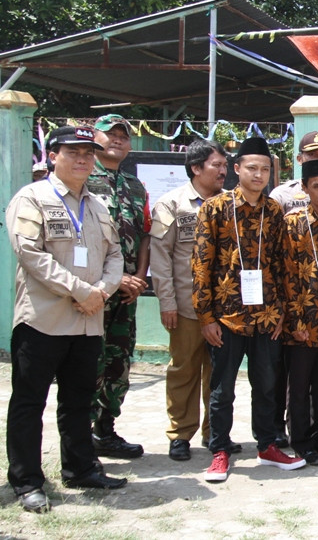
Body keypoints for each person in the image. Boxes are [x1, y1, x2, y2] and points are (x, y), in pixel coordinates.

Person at [6, 126, 127, 514]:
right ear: (53, 154)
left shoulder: (97, 205)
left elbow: (115, 256)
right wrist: (81, 291)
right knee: (29, 403)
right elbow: (30, 254)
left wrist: (103, 292)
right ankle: (27, 481)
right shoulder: (32, 198)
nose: (82, 159)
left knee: (78, 401)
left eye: (89, 153)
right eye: (73, 152)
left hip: (89, 320)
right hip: (43, 320)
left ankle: (80, 468)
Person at [192, 136, 305, 483]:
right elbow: (200, 265)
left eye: (265, 169)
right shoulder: (214, 208)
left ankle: (267, 446)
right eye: (252, 168)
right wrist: (206, 317)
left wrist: (283, 312)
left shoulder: (274, 212)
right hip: (226, 316)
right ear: (237, 169)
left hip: (267, 317)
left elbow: (283, 264)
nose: (259, 175)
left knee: (267, 384)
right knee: (222, 387)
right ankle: (220, 451)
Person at [150, 139, 231, 462]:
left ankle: (216, 433)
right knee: (184, 370)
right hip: (185, 306)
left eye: (226, 165)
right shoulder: (172, 204)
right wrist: (166, 302)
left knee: (218, 374)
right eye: (217, 165)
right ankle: (180, 434)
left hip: (224, 309)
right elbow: (161, 256)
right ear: (196, 168)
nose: (224, 171)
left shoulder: (230, 203)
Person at [268, 130, 318, 444]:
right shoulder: (292, 221)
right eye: (316, 187)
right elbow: (284, 274)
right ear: (304, 188)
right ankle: (300, 442)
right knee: (298, 385)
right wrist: (295, 320)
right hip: (303, 319)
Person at [86, 114, 151, 459]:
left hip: (127, 295)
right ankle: (80, 436)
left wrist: (139, 277)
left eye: (123, 136)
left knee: (119, 362)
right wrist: (114, 279)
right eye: (110, 134)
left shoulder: (135, 186)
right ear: (95, 139)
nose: (118, 140)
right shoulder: (83, 181)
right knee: (88, 363)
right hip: (93, 293)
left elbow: (144, 236)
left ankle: (105, 431)